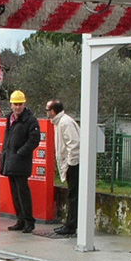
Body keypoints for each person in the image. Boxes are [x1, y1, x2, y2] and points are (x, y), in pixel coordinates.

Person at [0, 90, 41, 233]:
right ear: (11, 104)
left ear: (24, 104)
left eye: (20, 104)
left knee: (23, 193)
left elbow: (34, 140)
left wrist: (20, 153)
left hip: (20, 162)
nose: (17, 107)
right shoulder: (9, 119)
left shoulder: (30, 120)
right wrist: (5, 154)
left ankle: (29, 221)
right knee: (15, 194)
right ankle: (20, 220)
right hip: (10, 160)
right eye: (15, 104)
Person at [46, 99, 80, 236]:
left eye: (47, 110)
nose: (47, 113)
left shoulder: (64, 123)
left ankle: (71, 225)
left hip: (74, 164)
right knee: (72, 195)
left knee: (73, 195)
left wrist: (71, 164)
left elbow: (74, 144)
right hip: (71, 164)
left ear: (53, 111)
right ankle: (70, 223)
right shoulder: (60, 122)